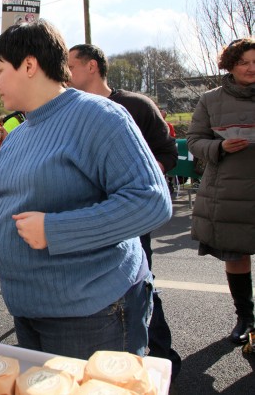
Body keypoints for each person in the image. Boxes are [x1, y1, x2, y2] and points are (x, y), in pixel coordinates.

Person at [0, 20, 172, 360]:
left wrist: (55, 230)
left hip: (93, 315)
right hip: (29, 313)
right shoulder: (19, 135)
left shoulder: (101, 116)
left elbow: (151, 201)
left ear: (28, 65)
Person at [68, 43, 181, 379]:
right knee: (99, 293)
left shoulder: (136, 106)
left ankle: (162, 358)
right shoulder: (71, 110)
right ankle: (106, 367)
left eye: (70, 66)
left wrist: (145, 173)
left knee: (138, 283)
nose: (65, 73)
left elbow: (167, 152)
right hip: (88, 217)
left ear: (91, 66)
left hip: (128, 217)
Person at [187, 37, 255, 345]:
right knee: (236, 254)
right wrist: (220, 146)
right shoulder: (210, 99)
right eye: (244, 62)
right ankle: (245, 317)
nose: (251, 68)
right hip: (227, 191)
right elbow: (194, 141)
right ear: (230, 65)